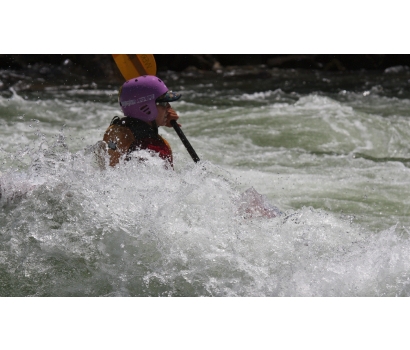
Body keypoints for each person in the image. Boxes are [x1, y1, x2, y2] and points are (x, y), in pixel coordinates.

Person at [100, 75, 181, 168]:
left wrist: (162, 116)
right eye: (163, 103)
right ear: (145, 107)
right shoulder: (120, 134)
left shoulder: (162, 143)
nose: (169, 108)